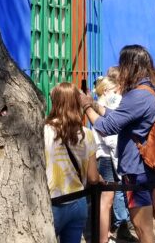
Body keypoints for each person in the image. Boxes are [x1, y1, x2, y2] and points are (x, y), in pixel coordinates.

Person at [82, 45, 155, 243]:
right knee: (143, 224)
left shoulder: (137, 95)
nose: (120, 70)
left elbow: (106, 127)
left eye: (122, 65)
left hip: (136, 168)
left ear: (131, 66)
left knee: (142, 226)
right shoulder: (149, 91)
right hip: (145, 165)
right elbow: (123, 119)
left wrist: (86, 106)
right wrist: (96, 105)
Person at [45, 82, 101, 243]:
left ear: (55, 102)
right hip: (78, 201)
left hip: (52, 202)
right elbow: (92, 178)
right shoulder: (87, 134)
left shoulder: (43, 131)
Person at [91, 76, 137, 242]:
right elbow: (109, 138)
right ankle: (103, 238)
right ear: (105, 91)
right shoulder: (101, 108)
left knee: (109, 200)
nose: (118, 94)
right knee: (107, 201)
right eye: (115, 91)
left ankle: (106, 235)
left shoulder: (106, 106)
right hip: (106, 159)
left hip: (110, 157)